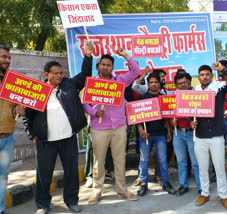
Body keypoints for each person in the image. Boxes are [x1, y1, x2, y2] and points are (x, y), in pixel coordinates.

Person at [23, 41, 94, 214]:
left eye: (61, 73)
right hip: (45, 141)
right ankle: (43, 204)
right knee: (44, 176)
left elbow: (85, 75)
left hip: (68, 138)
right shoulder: (37, 91)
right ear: (47, 74)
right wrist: (32, 135)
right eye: (56, 73)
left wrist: (88, 55)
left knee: (71, 173)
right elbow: (28, 116)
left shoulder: (69, 85)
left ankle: (71, 201)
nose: (60, 76)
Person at [83, 48, 139, 205]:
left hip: (119, 126)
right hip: (99, 128)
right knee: (98, 161)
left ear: (112, 67)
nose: (105, 67)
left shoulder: (120, 81)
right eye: (103, 64)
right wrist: (94, 112)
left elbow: (135, 71)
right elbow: (84, 103)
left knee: (120, 159)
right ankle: (97, 190)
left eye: (108, 65)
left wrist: (126, 55)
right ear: (98, 66)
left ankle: (122, 189)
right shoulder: (91, 83)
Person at [190, 63, 227, 210]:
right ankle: (205, 193)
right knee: (202, 167)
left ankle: (224, 196)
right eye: (202, 74)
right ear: (198, 77)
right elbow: (189, 111)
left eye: (207, 74)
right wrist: (190, 122)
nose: (204, 77)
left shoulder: (219, 88)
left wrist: (222, 70)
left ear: (212, 76)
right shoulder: (195, 91)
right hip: (200, 135)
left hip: (216, 135)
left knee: (219, 167)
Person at [136, 72, 176, 196]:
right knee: (144, 160)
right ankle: (143, 184)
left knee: (163, 160)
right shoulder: (142, 98)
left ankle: (165, 182)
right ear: (148, 84)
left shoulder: (162, 98)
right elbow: (136, 117)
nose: (153, 84)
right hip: (145, 134)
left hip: (161, 134)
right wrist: (141, 131)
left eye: (156, 82)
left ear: (160, 83)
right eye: (151, 82)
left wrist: (169, 131)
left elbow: (166, 117)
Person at [0, 44, 25, 214]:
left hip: (7, 137)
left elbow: (14, 111)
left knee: (2, 178)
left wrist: (19, 111)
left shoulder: (12, 81)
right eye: (4, 57)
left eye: (9, 58)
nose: (7, 60)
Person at [171, 72, 201, 196]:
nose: (182, 86)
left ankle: (201, 186)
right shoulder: (173, 97)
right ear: (176, 85)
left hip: (192, 134)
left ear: (189, 82)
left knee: (196, 162)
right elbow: (169, 112)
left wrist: (196, 121)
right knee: (181, 162)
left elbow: (203, 112)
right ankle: (183, 185)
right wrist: (172, 121)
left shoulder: (197, 96)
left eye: (184, 83)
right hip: (178, 133)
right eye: (179, 84)